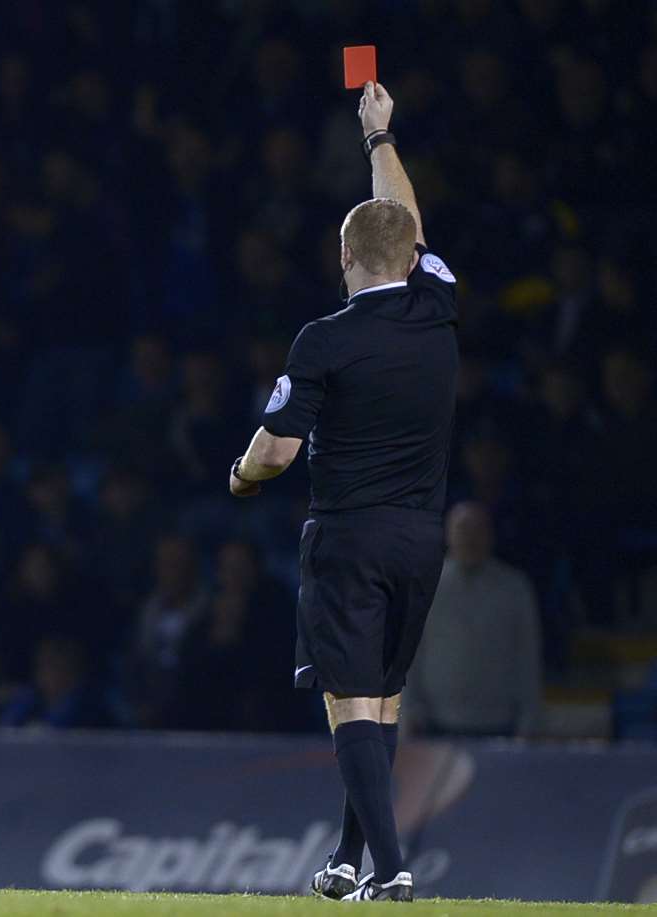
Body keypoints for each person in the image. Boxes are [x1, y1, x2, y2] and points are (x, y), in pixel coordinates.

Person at [228, 82, 458, 903]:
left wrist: (239, 473)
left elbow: (276, 452)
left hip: (349, 538)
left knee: (349, 702)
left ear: (343, 260)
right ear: (410, 259)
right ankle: (344, 858)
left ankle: (392, 870)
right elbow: (405, 224)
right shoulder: (436, 307)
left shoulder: (325, 339)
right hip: (421, 540)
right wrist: (379, 139)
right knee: (382, 704)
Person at [404, 502, 543, 737]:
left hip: (499, 723)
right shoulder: (425, 586)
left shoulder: (514, 589)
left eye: (477, 530)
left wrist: (529, 718)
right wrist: (409, 711)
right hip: (435, 724)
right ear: (448, 535)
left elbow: (527, 655)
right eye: (462, 530)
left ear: (490, 536)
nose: (470, 538)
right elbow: (410, 654)